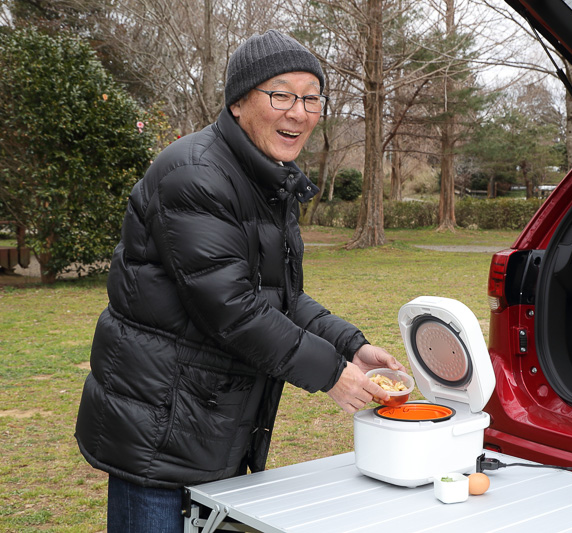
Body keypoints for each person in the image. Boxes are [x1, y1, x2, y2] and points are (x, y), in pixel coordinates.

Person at [75, 30, 404, 533]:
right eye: (282, 95)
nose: (299, 112)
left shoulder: (267, 177)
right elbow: (231, 308)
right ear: (237, 102)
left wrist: (350, 347)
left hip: (210, 415)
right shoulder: (195, 174)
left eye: (311, 98)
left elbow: (279, 297)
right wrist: (331, 373)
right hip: (162, 426)